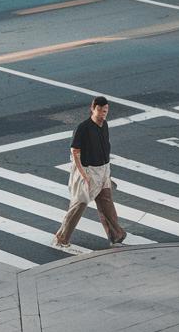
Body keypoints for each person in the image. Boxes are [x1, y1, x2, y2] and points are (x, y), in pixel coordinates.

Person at [53, 96, 127, 248]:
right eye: (99, 110)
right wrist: (83, 175)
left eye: (105, 110)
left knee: (106, 201)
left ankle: (116, 234)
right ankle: (62, 237)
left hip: (103, 170)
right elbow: (75, 151)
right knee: (79, 204)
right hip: (89, 171)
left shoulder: (104, 125)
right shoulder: (83, 128)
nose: (102, 114)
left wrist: (107, 172)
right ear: (93, 108)